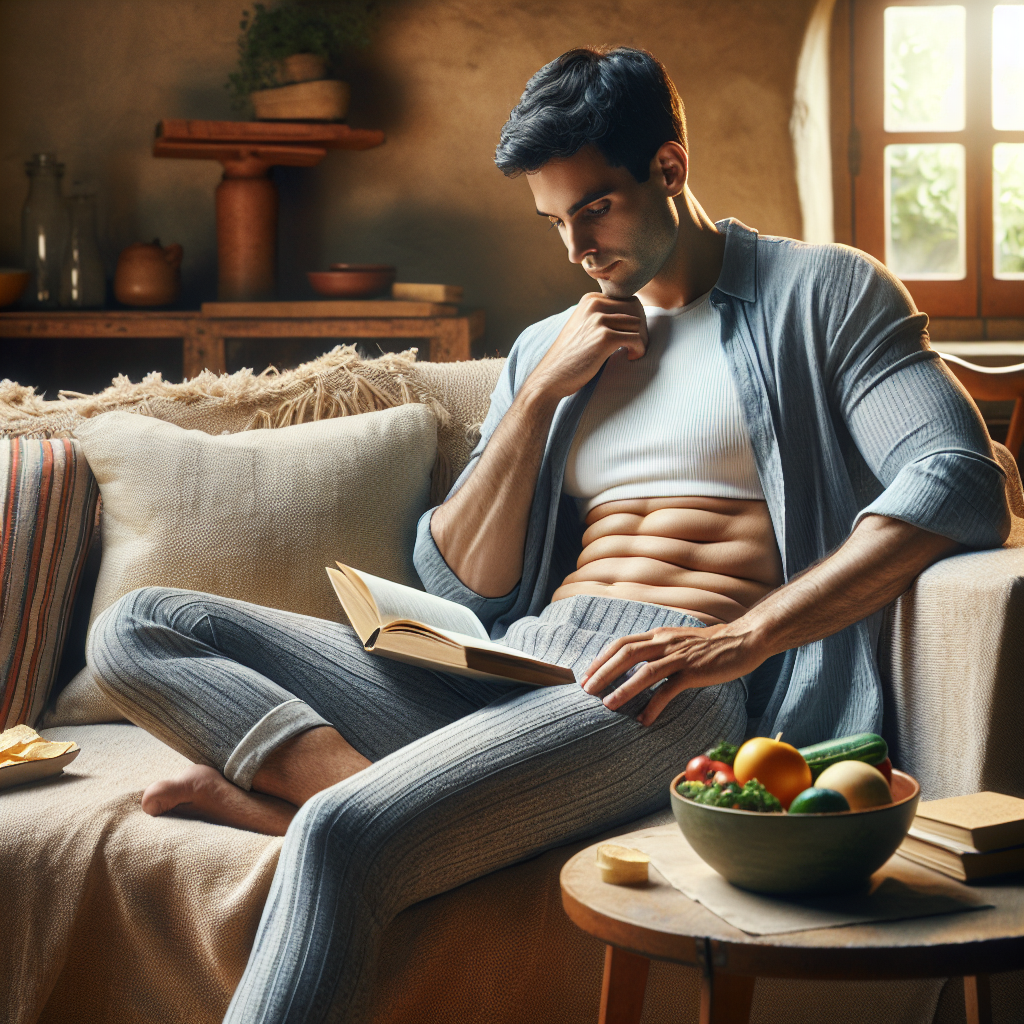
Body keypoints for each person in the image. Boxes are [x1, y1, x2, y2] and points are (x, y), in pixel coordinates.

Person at [88, 46, 1009, 1024]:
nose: (576, 248)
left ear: (668, 166)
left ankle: (354, 811)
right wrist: (532, 394)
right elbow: (465, 579)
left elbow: (956, 478)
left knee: (344, 840)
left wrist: (734, 640)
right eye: (554, 222)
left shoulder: (820, 292)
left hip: (666, 682)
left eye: (595, 208)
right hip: (512, 664)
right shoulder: (549, 342)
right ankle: (391, 798)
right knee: (139, 626)